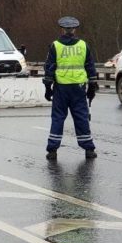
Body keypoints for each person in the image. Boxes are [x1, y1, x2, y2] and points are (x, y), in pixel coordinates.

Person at [43, 16, 99, 160]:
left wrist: (48, 87)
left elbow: (49, 67)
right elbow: (90, 66)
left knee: (58, 118)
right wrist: (92, 85)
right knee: (81, 117)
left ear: (62, 29)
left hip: (61, 88)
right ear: (74, 29)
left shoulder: (55, 46)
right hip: (78, 88)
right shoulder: (83, 45)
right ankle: (89, 149)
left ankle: (52, 150)